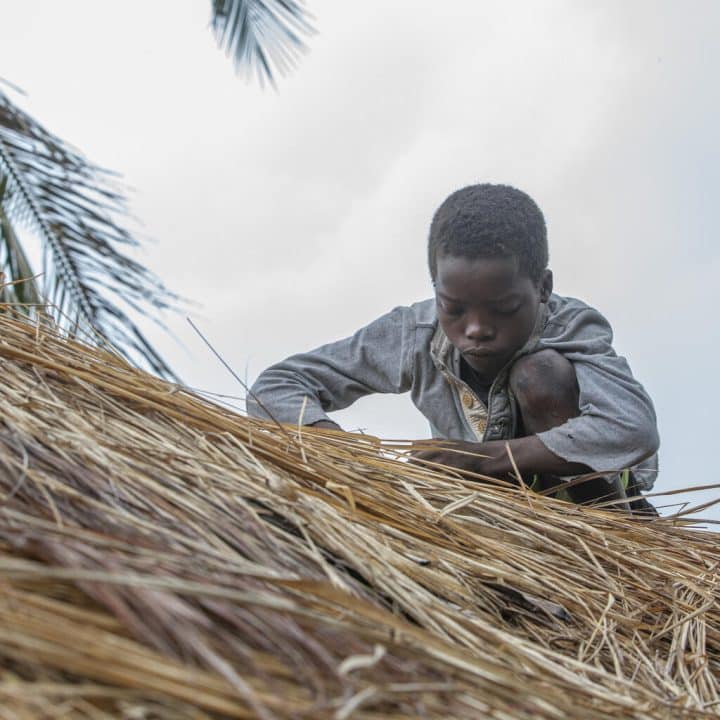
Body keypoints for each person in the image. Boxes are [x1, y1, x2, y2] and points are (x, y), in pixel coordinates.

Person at [248, 184, 659, 511]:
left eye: (503, 309)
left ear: (543, 288)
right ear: (436, 291)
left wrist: (485, 458)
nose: (476, 329)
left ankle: (610, 537)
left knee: (540, 376)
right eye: (454, 308)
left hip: (602, 506)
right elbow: (280, 384)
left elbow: (631, 428)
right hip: (495, 513)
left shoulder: (571, 324)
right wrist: (338, 447)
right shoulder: (415, 332)